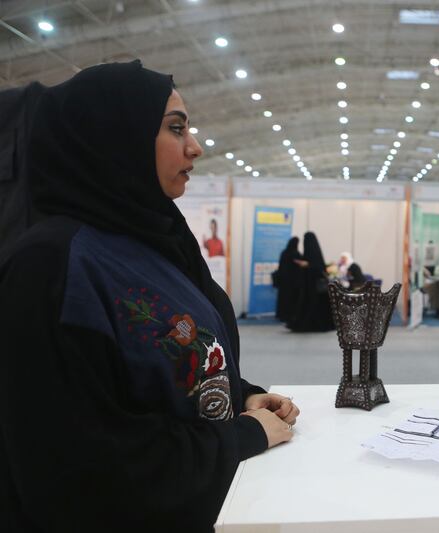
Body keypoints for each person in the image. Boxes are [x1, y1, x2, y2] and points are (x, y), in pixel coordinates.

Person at [0, 61, 301, 532]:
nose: (195, 147)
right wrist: (239, 438)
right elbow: (80, 463)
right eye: (175, 128)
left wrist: (243, 398)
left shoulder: (160, 238)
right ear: (113, 137)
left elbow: (159, 369)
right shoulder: (51, 266)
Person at [287, 232, 334, 332]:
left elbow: (318, 268)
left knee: (313, 306)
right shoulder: (314, 253)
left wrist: (307, 265)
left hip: (315, 287)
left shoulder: (314, 255)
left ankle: (312, 325)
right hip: (310, 287)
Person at [275, 236, 302, 323]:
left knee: (283, 298)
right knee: (291, 299)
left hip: (283, 280)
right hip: (293, 282)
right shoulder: (296, 253)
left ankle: (282, 315)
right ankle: (290, 315)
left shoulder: (284, 252)